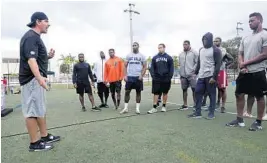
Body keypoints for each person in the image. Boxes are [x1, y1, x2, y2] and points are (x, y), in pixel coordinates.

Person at [19, 12, 60, 152]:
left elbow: (35, 58)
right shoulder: (31, 37)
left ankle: (44, 136)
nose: (48, 24)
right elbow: (31, 60)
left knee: (39, 109)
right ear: (38, 21)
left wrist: (47, 57)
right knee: (31, 111)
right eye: (46, 21)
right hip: (32, 80)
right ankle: (34, 143)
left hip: (36, 79)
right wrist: (39, 78)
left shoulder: (35, 37)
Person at [226, 12, 267, 131]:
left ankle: (258, 122)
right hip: (244, 72)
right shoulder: (245, 37)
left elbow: (264, 55)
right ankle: (239, 120)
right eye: (249, 21)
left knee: (259, 97)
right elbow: (240, 53)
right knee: (239, 94)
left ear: (259, 20)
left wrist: (246, 63)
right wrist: (241, 64)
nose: (249, 23)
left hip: (258, 71)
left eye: (252, 21)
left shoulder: (265, 35)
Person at [188, 32, 222, 119]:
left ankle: (211, 113)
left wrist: (214, 77)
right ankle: (198, 112)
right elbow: (199, 62)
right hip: (201, 76)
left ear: (210, 40)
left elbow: (218, 64)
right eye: (203, 39)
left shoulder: (216, 50)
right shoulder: (201, 50)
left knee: (212, 95)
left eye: (206, 39)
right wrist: (195, 73)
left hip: (210, 76)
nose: (204, 41)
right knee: (197, 92)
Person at [120, 42, 147, 114]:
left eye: (135, 45)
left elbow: (145, 66)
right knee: (127, 92)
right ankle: (125, 108)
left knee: (138, 92)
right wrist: (125, 75)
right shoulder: (129, 55)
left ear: (138, 46)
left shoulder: (142, 56)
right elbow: (125, 66)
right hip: (130, 77)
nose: (134, 46)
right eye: (133, 45)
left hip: (138, 77)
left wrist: (141, 75)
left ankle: (137, 109)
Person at [148, 43, 174, 114]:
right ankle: (154, 107)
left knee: (165, 92)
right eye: (158, 48)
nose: (160, 49)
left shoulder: (169, 57)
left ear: (164, 48)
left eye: (161, 47)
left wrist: (169, 76)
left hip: (166, 78)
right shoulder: (155, 58)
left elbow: (171, 68)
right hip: (157, 78)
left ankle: (164, 106)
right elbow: (152, 68)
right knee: (156, 93)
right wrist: (153, 76)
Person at [214, 37, 234, 113]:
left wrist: (226, 65)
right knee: (216, 88)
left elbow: (231, 59)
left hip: (221, 71)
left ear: (220, 42)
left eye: (217, 41)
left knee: (222, 89)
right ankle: (217, 102)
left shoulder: (223, 50)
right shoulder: (212, 49)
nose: (215, 42)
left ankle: (223, 106)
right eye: (214, 41)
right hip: (213, 71)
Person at [178, 40, 199, 110]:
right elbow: (180, 64)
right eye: (183, 44)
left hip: (192, 75)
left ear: (189, 45)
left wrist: (193, 71)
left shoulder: (194, 53)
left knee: (194, 89)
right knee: (184, 90)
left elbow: (197, 63)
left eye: (186, 44)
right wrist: (180, 74)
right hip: (183, 75)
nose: (184, 46)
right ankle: (185, 104)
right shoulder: (181, 54)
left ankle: (196, 104)